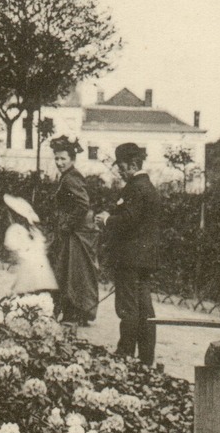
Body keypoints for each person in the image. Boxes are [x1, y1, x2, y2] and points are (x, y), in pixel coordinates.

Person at [95, 142, 160, 366]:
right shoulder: (147, 186)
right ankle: (145, 358)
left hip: (129, 258)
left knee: (128, 307)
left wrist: (106, 220)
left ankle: (125, 353)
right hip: (144, 258)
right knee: (145, 309)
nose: (120, 171)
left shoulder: (136, 187)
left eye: (122, 166)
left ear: (133, 164)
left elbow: (128, 220)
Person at [48, 136, 99, 325]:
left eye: (63, 159)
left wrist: (67, 224)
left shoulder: (72, 177)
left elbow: (83, 204)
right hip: (73, 231)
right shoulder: (67, 177)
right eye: (57, 159)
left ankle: (76, 314)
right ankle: (76, 313)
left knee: (73, 272)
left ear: (72, 159)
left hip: (76, 233)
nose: (59, 163)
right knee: (70, 272)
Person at [3, 194, 58, 296]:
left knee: (21, 299)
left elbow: (14, 255)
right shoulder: (35, 232)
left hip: (28, 274)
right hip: (44, 276)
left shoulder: (15, 229)